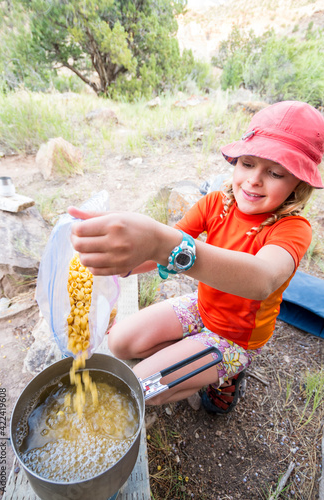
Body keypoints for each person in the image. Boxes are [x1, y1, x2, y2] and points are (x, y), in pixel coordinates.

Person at [68, 100, 324, 414]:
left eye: (275, 172)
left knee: (144, 386)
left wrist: (165, 243)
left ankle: (226, 372)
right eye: (246, 163)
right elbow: (159, 254)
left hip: (236, 338)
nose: (254, 180)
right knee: (119, 342)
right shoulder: (216, 203)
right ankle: (193, 355)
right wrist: (122, 258)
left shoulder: (293, 229)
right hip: (202, 307)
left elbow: (263, 279)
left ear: (299, 183)